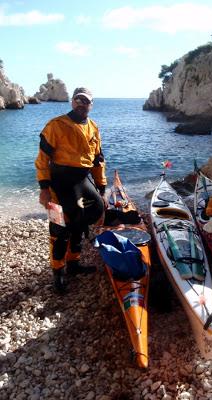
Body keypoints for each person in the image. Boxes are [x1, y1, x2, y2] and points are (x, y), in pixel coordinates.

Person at [35, 87, 107, 293]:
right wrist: (44, 188)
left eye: (86, 101)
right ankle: (58, 272)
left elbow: (98, 161)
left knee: (87, 215)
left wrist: (101, 187)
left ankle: (74, 263)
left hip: (81, 180)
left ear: (91, 105)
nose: (82, 104)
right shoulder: (56, 126)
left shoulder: (93, 127)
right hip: (58, 182)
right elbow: (42, 160)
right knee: (59, 228)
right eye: (78, 99)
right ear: (72, 101)